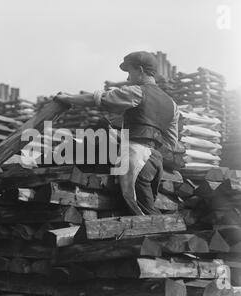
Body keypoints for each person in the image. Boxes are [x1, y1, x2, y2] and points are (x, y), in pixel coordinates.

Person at [55, 51, 179, 215]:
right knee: (141, 208)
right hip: (156, 161)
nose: (128, 78)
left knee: (143, 212)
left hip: (136, 157)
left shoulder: (137, 92)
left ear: (140, 70)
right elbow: (171, 143)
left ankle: (166, 238)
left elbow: (97, 99)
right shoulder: (172, 104)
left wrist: (67, 98)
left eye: (130, 72)